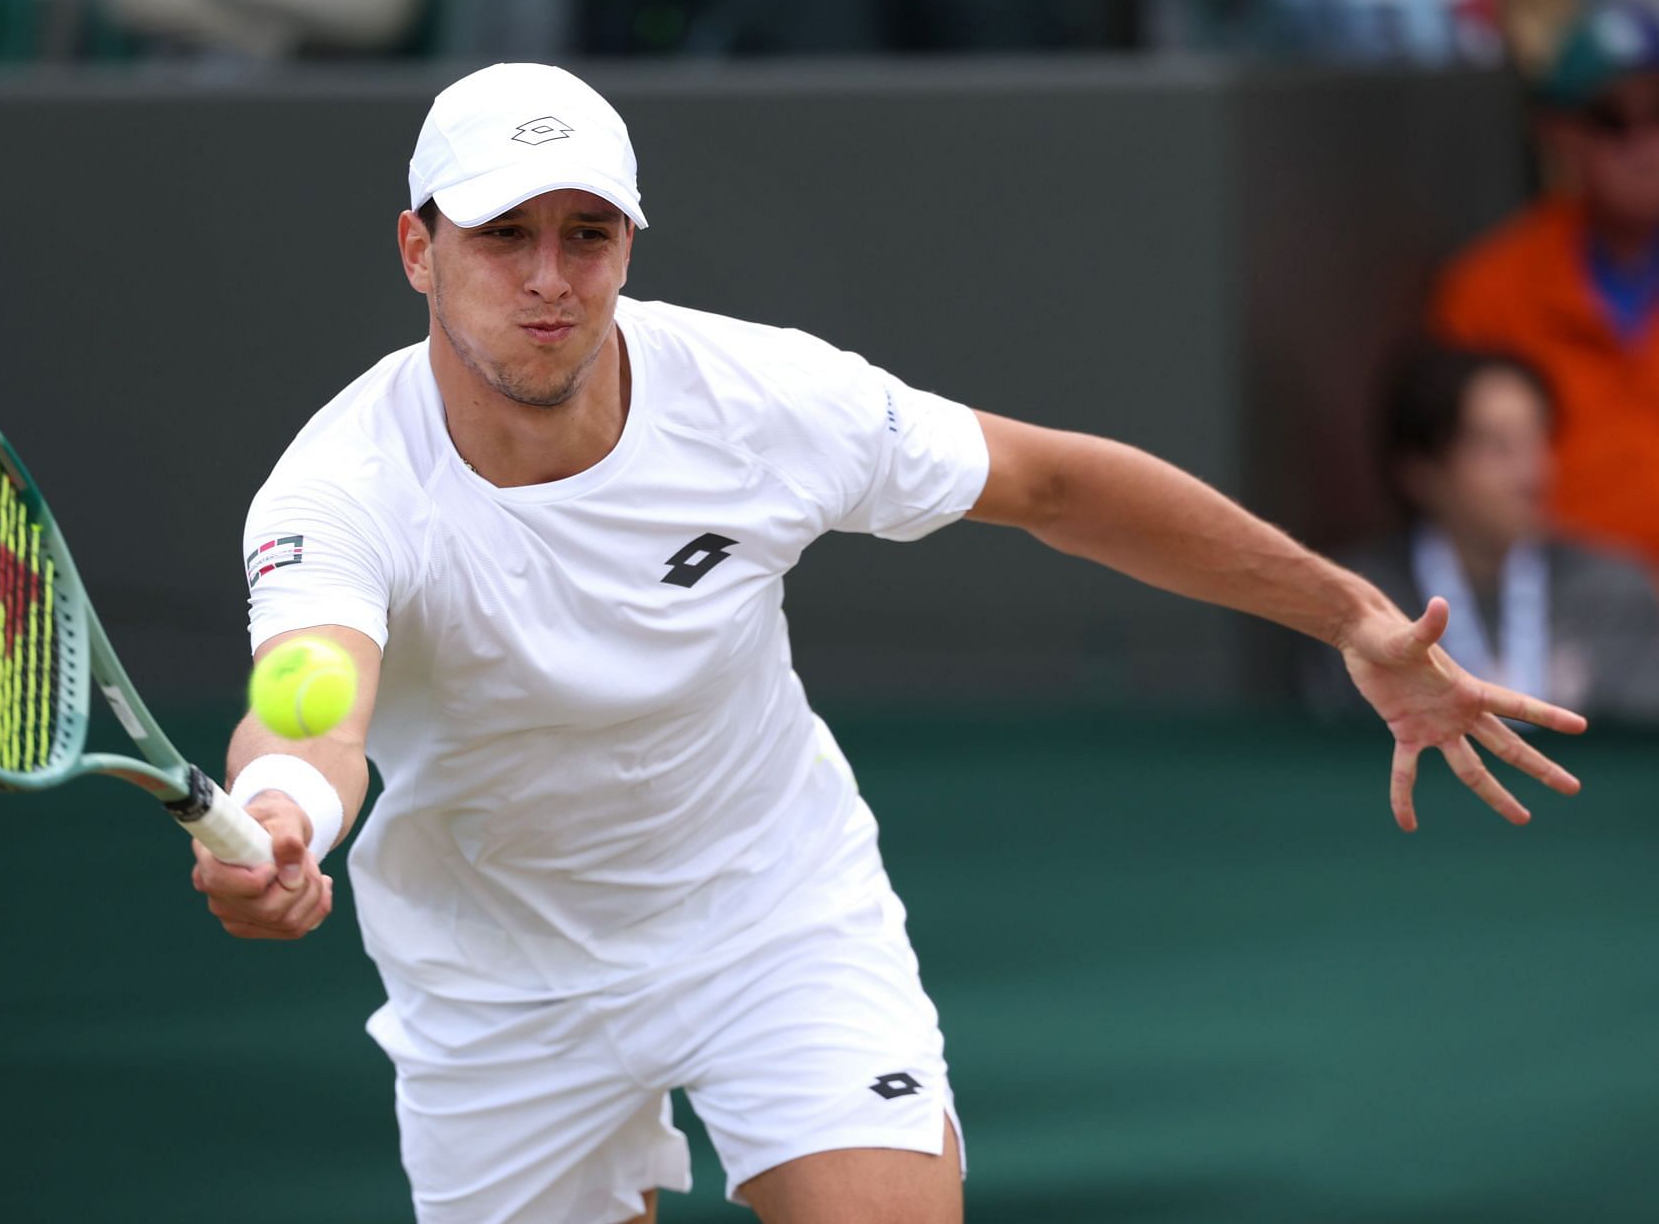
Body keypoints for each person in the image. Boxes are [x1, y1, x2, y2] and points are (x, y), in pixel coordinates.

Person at [190, 63, 1587, 1224]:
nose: (550, 279)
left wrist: (1349, 612)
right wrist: (282, 806)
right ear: (418, 248)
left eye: (588, 234)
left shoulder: (761, 397)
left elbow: (1052, 483)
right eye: (504, 235)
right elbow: (312, 701)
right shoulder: (339, 490)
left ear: (629, 243)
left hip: (769, 921)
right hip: (498, 987)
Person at [1299, 341, 1659, 721]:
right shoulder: (1360, 600)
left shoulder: (1612, 591)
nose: (1532, 473)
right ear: (1422, 472)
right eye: (1498, 447)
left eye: (1538, 441)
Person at [1431, 0, 1659, 575]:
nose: (1643, 146)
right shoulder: (1492, 289)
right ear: (1557, 132)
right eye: (1611, 119)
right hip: (1557, 616)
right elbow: (1461, 493)